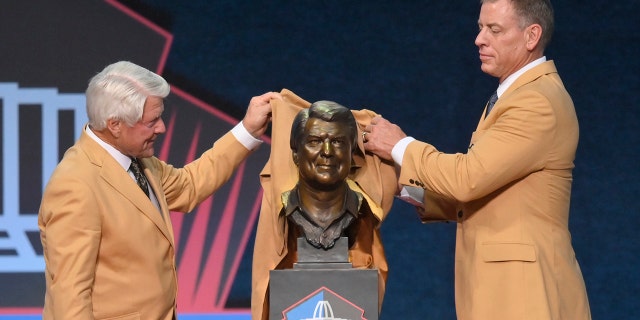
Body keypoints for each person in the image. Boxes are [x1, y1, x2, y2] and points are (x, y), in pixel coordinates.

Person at [362, 0, 591, 319]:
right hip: (504, 290)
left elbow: (466, 180)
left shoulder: (535, 102)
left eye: (494, 30)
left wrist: (402, 146)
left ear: (531, 36)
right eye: (480, 27)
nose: (479, 39)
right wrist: (398, 182)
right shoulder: (514, 95)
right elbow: (477, 197)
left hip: (524, 293)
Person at [37, 61, 281, 320]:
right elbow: (69, 296)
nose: (162, 128)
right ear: (115, 124)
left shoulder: (138, 161)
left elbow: (189, 186)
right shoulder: (75, 185)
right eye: (152, 121)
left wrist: (248, 130)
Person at [252, 90, 398, 320]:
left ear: (351, 155)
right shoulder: (284, 211)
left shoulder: (363, 214)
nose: (327, 153)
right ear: (296, 154)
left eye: (338, 142)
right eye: (315, 141)